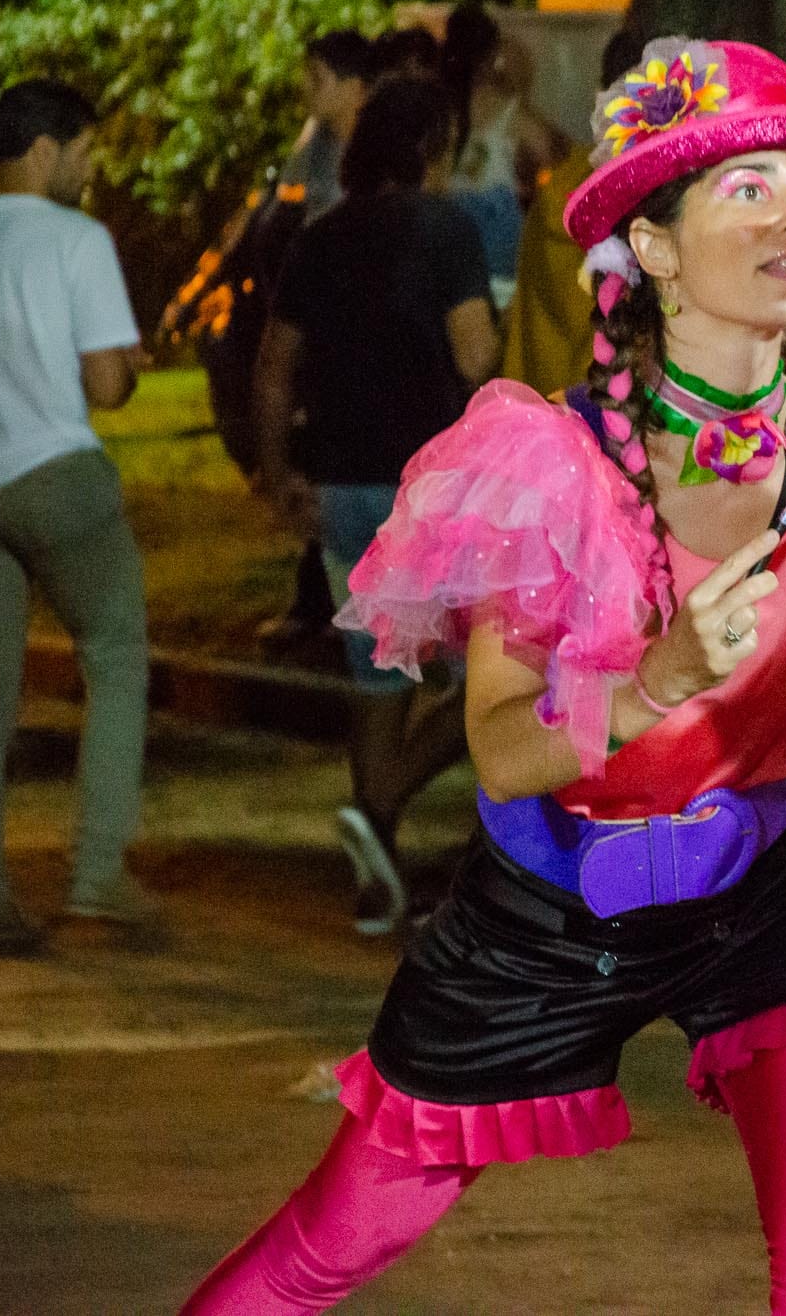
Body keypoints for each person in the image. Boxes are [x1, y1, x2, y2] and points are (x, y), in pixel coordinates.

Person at [183, 37, 786, 1315]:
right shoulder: (552, 461)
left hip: (767, 893)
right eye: (750, 189)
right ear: (651, 245)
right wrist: (660, 674)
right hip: (546, 911)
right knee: (327, 1248)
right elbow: (501, 750)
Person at [252, 76, 499, 936]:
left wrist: (278, 472)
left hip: (342, 488)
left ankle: (377, 869)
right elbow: (475, 356)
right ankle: (385, 799)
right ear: (431, 146)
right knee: (500, 670)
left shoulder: (321, 236)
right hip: (430, 489)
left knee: (375, 674)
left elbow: (275, 368)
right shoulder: (447, 229)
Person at [0, 79, 154, 952]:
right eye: (84, 150)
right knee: (114, 654)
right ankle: (97, 874)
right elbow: (106, 384)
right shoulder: (77, 240)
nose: (89, 167)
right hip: (56, 472)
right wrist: (130, 366)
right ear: (45, 150)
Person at [165, 30, 373, 649]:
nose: (307, 91)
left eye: (317, 79)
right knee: (314, 449)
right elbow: (276, 217)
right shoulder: (315, 146)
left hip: (353, 320)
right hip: (313, 319)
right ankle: (321, 596)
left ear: (352, 83)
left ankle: (350, 606)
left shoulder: (371, 147)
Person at [500, 27, 646, 394]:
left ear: (602, 96)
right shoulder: (673, 201)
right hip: (639, 408)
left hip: (555, 401)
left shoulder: (560, 192)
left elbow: (531, 324)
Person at [441, 3, 567, 311]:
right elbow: (559, 155)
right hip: (498, 251)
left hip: (445, 242)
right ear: (492, 54)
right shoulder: (506, 109)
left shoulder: (437, 106)